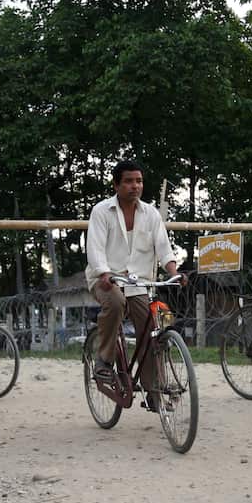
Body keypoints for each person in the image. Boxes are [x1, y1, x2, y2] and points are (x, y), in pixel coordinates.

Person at [84, 160, 181, 410]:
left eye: (138, 181)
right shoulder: (101, 211)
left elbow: (164, 249)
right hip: (105, 279)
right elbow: (95, 249)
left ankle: (153, 390)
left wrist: (174, 273)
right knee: (116, 302)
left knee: (150, 327)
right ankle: (104, 361)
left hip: (138, 283)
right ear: (116, 185)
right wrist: (104, 273)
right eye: (128, 181)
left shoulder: (151, 214)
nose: (135, 186)